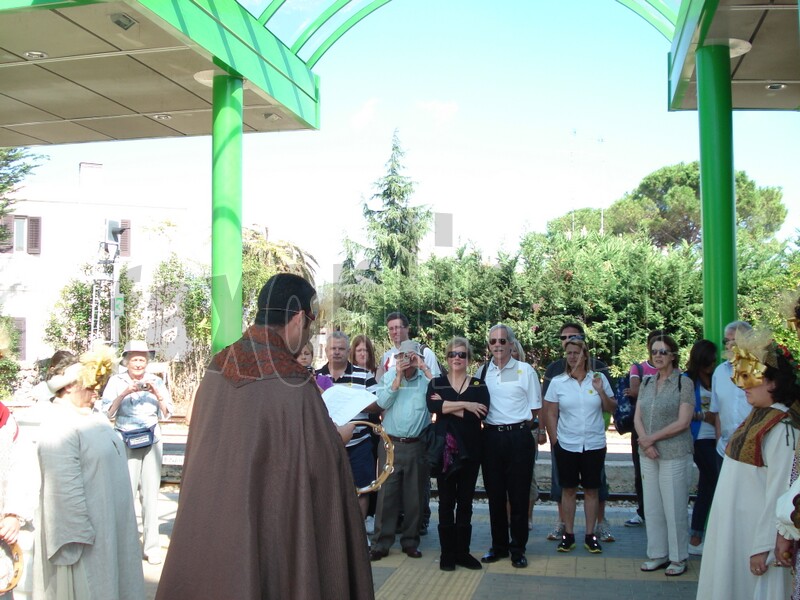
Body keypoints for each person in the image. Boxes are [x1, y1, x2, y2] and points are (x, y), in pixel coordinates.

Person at [155, 273, 374, 600]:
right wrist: (337, 438)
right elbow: (322, 471)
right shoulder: (294, 384)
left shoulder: (216, 369)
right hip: (272, 537)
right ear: (299, 318)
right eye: (311, 321)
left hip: (211, 531)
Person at [34, 344, 145, 600]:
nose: (97, 388)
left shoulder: (94, 417)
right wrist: (75, 539)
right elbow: (62, 492)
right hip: (88, 543)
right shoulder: (59, 424)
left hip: (111, 530)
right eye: (91, 383)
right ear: (70, 385)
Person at [698, 330, 799, 599]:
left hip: (751, 534)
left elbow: (781, 491)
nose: (744, 386)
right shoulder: (758, 415)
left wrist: (763, 545)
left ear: (774, 383)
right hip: (732, 528)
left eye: (751, 378)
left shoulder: (783, 428)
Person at [101, 340, 173, 565]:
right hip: (126, 438)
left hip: (151, 438)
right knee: (126, 494)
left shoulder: (157, 381)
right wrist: (124, 393)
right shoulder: (116, 381)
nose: (139, 363)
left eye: (142, 359)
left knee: (151, 494)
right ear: (127, 361)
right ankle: (127, 544)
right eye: (135, 359)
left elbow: (168, 413)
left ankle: (151, 546)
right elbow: (107, 412)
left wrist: (156, 394)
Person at [542, 322, 615, 543]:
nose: (572, 356)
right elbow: (550, 412)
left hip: (593, 443)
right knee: (568, 490)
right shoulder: (558, 380)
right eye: (569, 353)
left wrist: (601, 392)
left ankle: (591, 533)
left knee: (593, 490)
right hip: (567, 444)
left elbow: (612, 407)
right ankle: (568, 533)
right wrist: (555, 441)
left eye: (576, 352)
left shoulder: (598, 377)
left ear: (585, 355)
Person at [479, 324, 541, 569]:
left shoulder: (526, 371)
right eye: (493, 341)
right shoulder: (483, 371)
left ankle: (518, 549)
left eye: (502, 341)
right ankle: (499, 546)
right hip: (491, 438)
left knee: (518, 495)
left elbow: (535, 408)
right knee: (494, 496)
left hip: (518, 437)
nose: (497, 345)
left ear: (512, 344)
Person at [426, 337, 489, 571]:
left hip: (471, 451)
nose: (457, 358)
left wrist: (449, 405)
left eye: (462, 355)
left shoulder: (478, 385)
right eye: (453, 354)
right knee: (445, 503)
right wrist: (467, 405)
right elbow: (433, 408)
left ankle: (462, 552)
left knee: (465, 504)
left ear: (468, 358)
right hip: (445, 452)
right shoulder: (437, 383)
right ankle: (447, 553)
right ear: (447, 357)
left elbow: (480, 415)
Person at [634, 334, 694, 577]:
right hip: (648, 453)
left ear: (673, 355)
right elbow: (638, 416)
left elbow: (683, 421)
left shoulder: (684, 383)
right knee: (653, 507)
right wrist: (645, 442)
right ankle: (657, 554)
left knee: (674, 506)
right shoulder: (647, 382)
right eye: (654, 351)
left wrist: (652, 438)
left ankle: (678, 558)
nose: (657, 355)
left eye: (663, 351)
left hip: (674, 453)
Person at [370, 340, 433, 561]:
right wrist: (397, 377)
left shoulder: (425, 381)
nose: (406, 360)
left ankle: (410, 541)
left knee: (414, 496)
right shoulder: (389, 376)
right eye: (402, 356)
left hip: (416, 444)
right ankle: (381, 543)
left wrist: (424, 368)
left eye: (411, 356)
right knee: (386, 495)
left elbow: (442, 395)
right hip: (390, 444)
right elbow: (382, 401)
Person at [316, 331, 379, 521]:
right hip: (326, 445)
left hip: (359, 444)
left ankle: (359, 538)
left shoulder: (364, 375)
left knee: (361, 490)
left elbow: (377, 405)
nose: (336, 352)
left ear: (348, 351)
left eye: (341, 348)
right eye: (333, 348)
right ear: (326, 350)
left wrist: (355, 400)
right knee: (327, 493)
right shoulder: (316, 376)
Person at [622, 329, 662, 528]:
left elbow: (638, 391)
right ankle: (643, 511)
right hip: (642, 426)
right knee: (642, 471)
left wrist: (642, 390)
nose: (658, 353)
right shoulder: (637, 367)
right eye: (654, 347)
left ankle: (660, 511)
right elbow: (635, 390)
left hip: (665, 426)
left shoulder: (677, 372)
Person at [683, 339, 719, 556]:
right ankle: (698, 536)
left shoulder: (719, 378)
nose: (712, 365)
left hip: (719, 439)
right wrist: (704, 416)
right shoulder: (688, 380)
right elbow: (684, 413)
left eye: (714, 361)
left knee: (707, 486)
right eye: (708, 361)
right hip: (699, 439)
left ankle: (697, 537)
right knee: (714, 479)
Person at [511, 340, 546, 531]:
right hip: (508, 433)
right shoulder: (493, 372)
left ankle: (528, 516)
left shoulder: (528, 372)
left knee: (527, 475)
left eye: (516, 350)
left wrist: (541, 430)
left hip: (527, 431)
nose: (513, 353)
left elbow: (537, 404)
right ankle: (510, 518)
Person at [710, 321, 754, 470]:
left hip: (754, 452)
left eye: (733, 340)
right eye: (726, 341)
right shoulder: (719, 372)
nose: (728, 345)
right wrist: (718, 441)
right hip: (724, 451)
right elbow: (717, 413)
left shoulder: (760, 371)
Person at [376, 312, 441, 381]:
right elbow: (382, 386)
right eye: (391, 329)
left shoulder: (425, 352)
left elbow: (437, 383)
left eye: (397, 327)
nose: (394, 332)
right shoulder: (387, 357)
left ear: (407, 328)